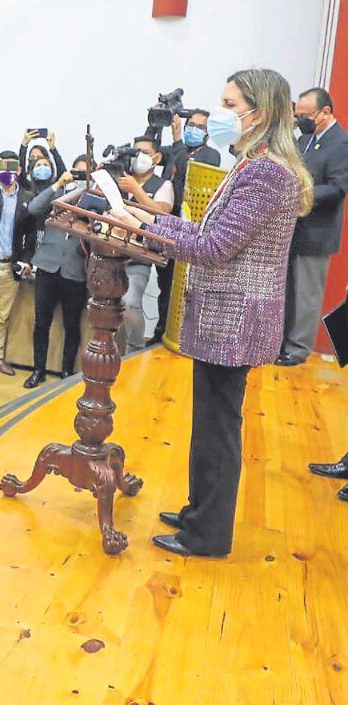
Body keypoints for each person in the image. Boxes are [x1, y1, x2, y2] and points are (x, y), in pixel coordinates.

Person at [109, 68, 311, 557]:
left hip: (235, 318)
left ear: (258, 112)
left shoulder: (265, 172)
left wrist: (144, 225)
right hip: (229, 313)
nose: (220, 113)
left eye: (229, 103)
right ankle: (201, 511)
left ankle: (208, 534)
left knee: (218, 431)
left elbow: (216, 246)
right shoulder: (255, 162)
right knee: (209, 425)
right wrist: (148, 216)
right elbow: (207, 232)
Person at [278, 87, 348, 366]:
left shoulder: (341, 143)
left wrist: (300, 196)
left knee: (306, 293)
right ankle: (280, 343)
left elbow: (338, 188)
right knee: (286, 290)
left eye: (306, 116)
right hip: (293, 229)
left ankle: (297, 349)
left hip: (317, 232)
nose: (301, 121)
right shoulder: (306, 139)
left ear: (326, 112)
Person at [153, 111, 222, 344]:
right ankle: (161, 330)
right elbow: (149, 148)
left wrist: (176, 141)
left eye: (199, 127)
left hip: (191, 230)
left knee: (182, 287)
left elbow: (186, 166)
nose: (193, 129)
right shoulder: (175, 149)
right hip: (168, 225)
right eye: (190, 124)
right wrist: (156, 121)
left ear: (208, 133)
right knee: (165, 284)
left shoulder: (211, 155)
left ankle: (183, 334)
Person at [24, 157, 91, 388]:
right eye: (78, 172)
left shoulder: (95, 199)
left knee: (72, 325)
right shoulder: (58, 193)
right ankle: (38, 370)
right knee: (41, 323)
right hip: (47, 266)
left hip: (75, 271)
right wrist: (57, 184)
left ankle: (65, 371)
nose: (81, 177)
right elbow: (33, 209)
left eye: (86, 173)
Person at [0, 151, 37, 376]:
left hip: (10, 264)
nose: (8, 173)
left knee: (1, 315)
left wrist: (27, 260)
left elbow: (31, 234)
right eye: (3, 168)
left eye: (12, 169)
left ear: (19, 170)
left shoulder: (27, 198)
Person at [115, 136, 175, 352]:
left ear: (156, 157)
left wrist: (137, 190)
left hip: (138, 256)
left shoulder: (163, 184)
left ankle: (135, 348)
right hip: (111, 251)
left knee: (130, 301)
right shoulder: (120, 179)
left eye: (145, 152)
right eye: (135, 151)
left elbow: (162, 212)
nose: (138, 156)